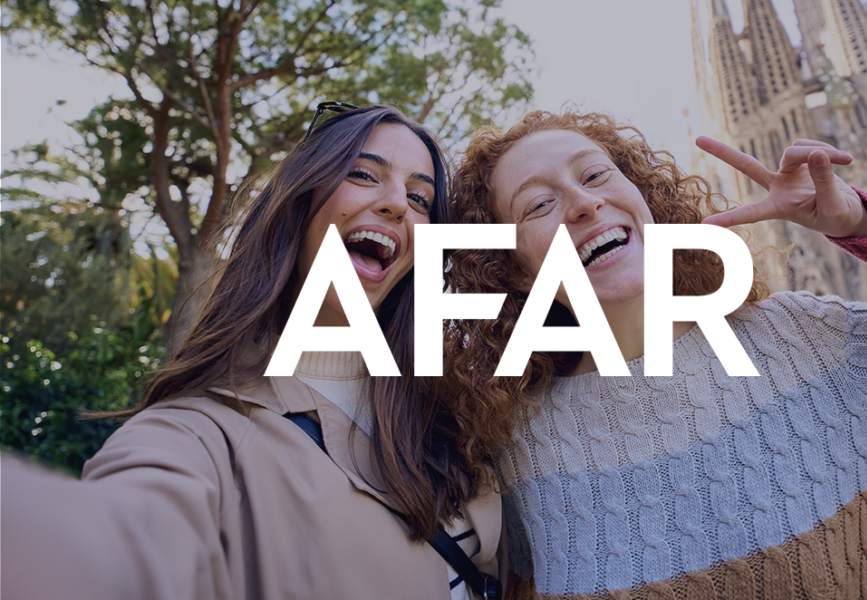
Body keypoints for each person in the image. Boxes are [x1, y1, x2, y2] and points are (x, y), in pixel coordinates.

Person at [441, 110, 867, 599]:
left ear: (645, 198)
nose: (583, 204)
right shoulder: (514, 438)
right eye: (537, 206)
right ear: (510, 264)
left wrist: (860, 221)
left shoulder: (801, 342)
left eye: (596, 174)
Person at [2, 104, 502, 600]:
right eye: (363, 175)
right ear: (297, 202)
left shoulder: (462, 406)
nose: (398, 203)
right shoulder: (204, 433)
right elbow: (121, 540)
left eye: (420, 197)